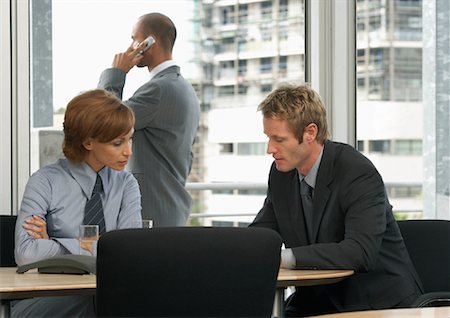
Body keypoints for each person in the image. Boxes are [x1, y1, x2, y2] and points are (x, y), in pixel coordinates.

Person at [249, 84, 423, 317]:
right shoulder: (281, 174)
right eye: (269, 138)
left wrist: (284, 258)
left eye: (279, 139)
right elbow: (262, 232)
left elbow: (360, 252)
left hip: (376, 303)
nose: (270, 149)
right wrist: (235, 252)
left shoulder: (356, 171)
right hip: (317, 300)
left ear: (310, 133)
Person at [11, 89, 142, 318]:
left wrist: (54, 244)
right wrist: (98, 246)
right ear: (88, 142)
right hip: (47, 297)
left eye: (130, 139)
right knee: (107, 303)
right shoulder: (45, 181)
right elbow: (26, 253)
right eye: (118, 143)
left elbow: (130, 255)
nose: (128, 151)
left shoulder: (127, 184)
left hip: (107, 295)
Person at [98, 12, 200, 227]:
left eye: (134, 39)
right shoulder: (183, 88)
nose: (131, 47)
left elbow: (103, 121)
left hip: (153, 214)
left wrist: (116, 73)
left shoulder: (160, 90)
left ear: (148, 43)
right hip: (168, 211)